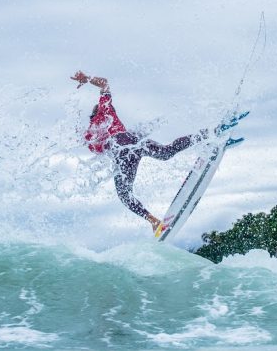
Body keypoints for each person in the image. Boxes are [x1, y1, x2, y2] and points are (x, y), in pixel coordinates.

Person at [70, 70, 208, 235]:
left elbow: (96, 146)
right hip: (132, 142)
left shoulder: (89, 136)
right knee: (165, 152)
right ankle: (206, 135)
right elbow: (104, 83)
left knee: (124, 195)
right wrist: (88, 79)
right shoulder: (106, 111)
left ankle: (154, 221)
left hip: (121, 153)